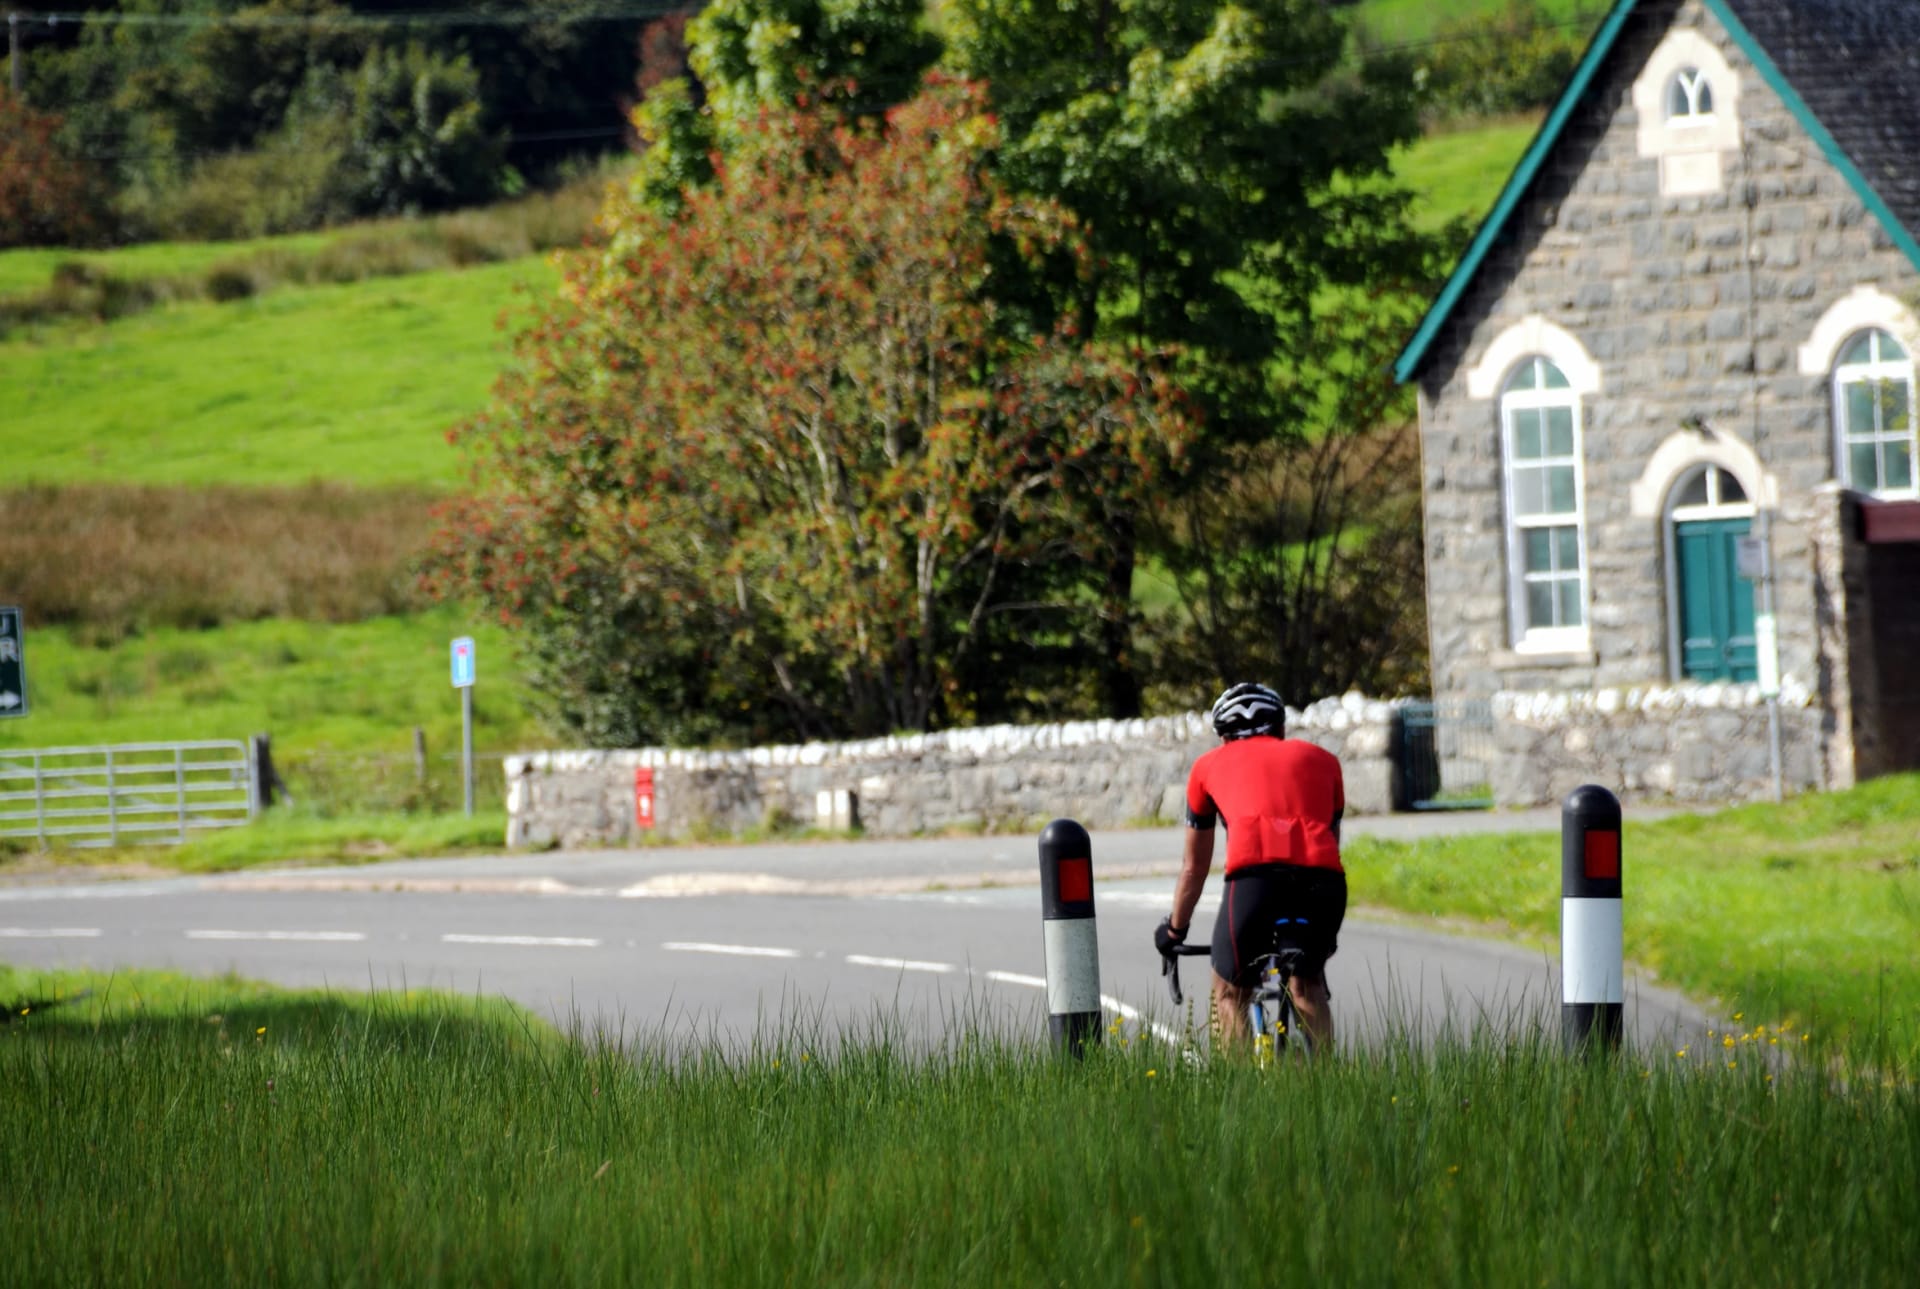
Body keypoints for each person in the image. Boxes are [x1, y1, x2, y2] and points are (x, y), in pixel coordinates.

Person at [1154, 682, 1347, 1049]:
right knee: (1307, 985)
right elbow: (1329, 840)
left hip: (1254, 880)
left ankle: (1241, 1094)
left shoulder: (1207, 767)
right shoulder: (1324, 761)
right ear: (1280, 727)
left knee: (1229, 993)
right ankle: (1324, 1090)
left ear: (1224, 736)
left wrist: (1175, 931)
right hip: (1324, 883)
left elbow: (1194, 868)